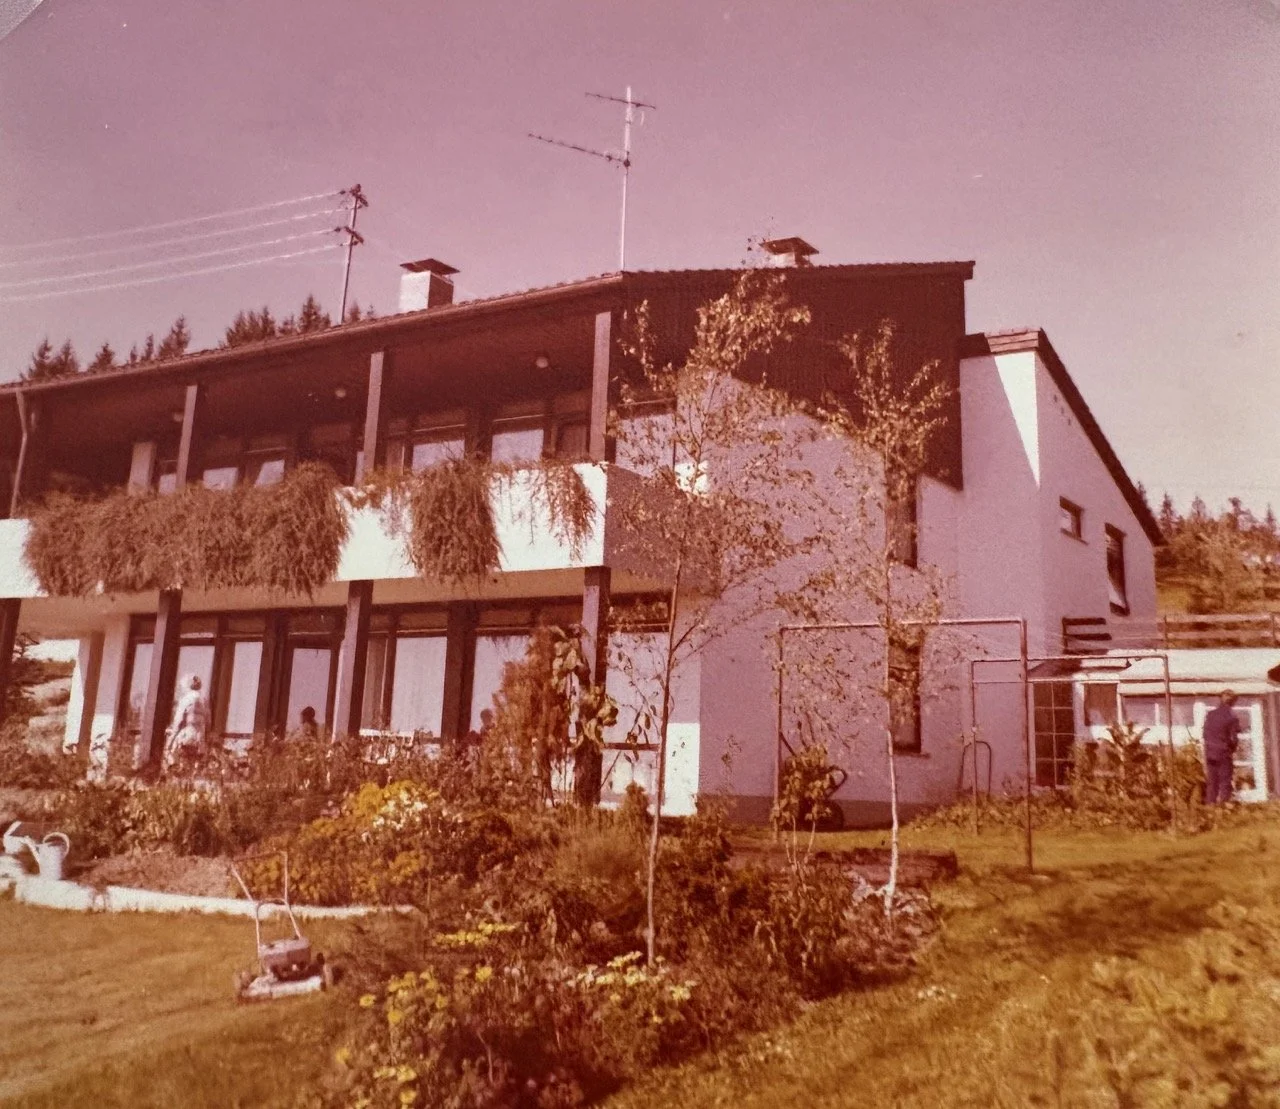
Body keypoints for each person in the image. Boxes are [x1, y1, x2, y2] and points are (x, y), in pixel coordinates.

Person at [163, 674, 210, 773]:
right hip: (199, 740)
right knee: (192, 768)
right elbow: (208, 722)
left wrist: (169, 742)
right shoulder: (204, 701)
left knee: (175, 760)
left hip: (186, 738)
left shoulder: (186, 699)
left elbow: (178, 721)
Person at [1202, 689, 1240, 805]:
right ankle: (1223, 808)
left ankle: (1210, 807)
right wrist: (1233, 749)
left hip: (1210, 753)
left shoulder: (1210, 715)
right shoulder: (1231, 717)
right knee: (1225, 782)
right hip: (1223, 753)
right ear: (1233, 702)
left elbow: (1205, 734)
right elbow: (1233, 738)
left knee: (1212, 783)